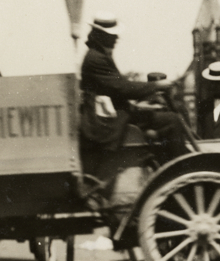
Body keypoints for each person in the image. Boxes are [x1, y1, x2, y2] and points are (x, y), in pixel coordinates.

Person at [79, 12, 188, 159]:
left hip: (110, 115)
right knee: (172, 120)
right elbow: (123, 88)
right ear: (101, 36)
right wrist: (157, 85)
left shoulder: (97, 55)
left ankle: (158, 154)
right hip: (106, 122)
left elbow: (116, 89)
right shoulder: (96, 58)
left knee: (162, 117)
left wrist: (141, 106)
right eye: (113, 35)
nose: (117, 38)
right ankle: (179, 168)